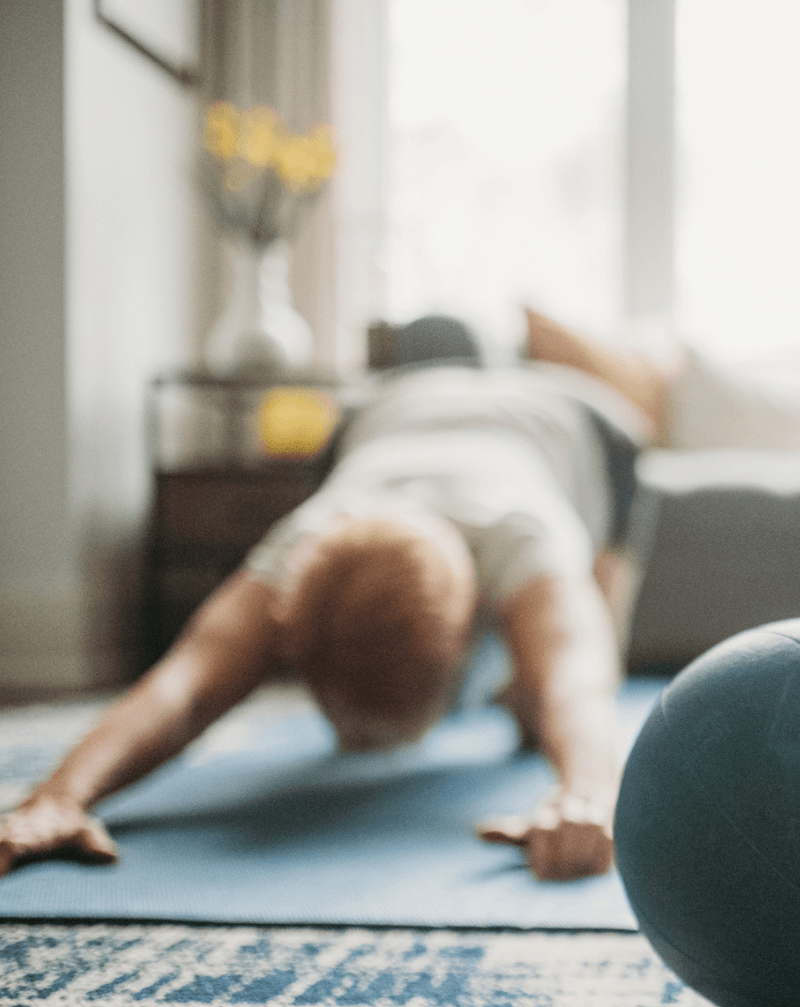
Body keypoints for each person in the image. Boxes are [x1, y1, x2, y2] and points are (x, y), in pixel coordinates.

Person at [4, 310, 795, 884]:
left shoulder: (526, 536)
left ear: (473, 620)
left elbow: (578, 681)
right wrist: (56, 798)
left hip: (583, 425)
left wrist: (586, 793)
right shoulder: (304, 541)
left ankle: (514, 703)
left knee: (541, 701)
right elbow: (183, 687)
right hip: (386, 413)